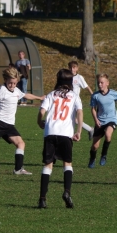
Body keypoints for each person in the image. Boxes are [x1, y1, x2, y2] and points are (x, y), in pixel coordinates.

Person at [37, 69, 83, 209]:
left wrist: (39, 121)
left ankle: (42, 199)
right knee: (67, 163)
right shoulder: (74, 96)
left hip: (50, 133)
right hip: (66, 134)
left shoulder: (51, 95)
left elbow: (42, 111)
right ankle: (67, 192)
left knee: (48, 165)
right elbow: (80, 112)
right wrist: (79, 130)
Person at [88, 73, 117, 169]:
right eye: (98, 83)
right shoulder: (95, 95)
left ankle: (104, 155)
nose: (100, 84)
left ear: (107, 83)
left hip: (112, 119)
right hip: (100, 121)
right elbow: (93, 109)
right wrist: (96, 120)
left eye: (102, 82)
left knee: (108, 134)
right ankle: (92, 158)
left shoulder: (114, 93)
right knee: (95, 146)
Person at [68, 61, 94, 140]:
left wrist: (94, 96)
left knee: (74, 119)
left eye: (74, 67)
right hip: (68, 101)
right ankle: (90, 129)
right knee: (72, 119)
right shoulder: (67, 77)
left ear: (77, 68)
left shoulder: (79, 77)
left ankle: (70, 135)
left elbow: (87, 87)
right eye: (70, 67)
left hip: (76, 101)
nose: (72, 69)